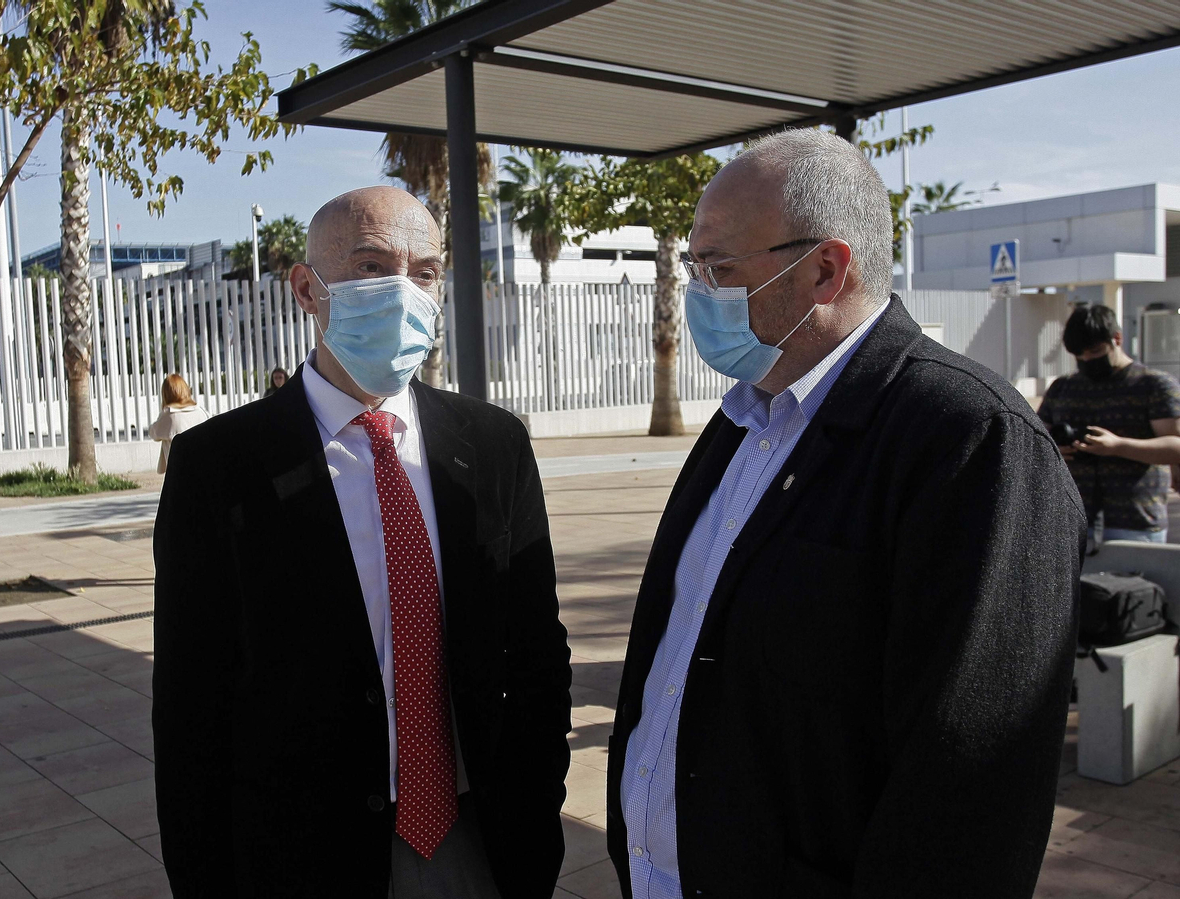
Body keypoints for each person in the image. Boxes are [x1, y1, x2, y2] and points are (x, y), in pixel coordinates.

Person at [608, 129, 1082, 899]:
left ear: (824, 268)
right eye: (695, 267)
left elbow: (971, 790)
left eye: (718, 267)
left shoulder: (970, 440)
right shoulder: (740, 421)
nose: (698, 291)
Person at [153, 186, 571, 899]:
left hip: (476, 841)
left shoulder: (496, 444)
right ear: (306, 290)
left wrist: (535, 809)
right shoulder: (219, 466)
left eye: (426, 271)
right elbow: (192, 706)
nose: (405, 293)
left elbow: (536, 653)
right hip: (300, 856)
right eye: (374, 266)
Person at [1037, 304, 1180, 544]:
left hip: (1134, 522)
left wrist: (1117, 446)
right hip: (1071, 520)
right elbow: (1037, 438)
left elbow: (1175, 447)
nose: (1086, 360)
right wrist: (1055, 449)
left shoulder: (1153, 385)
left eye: (1094, 351)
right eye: (1078, 355)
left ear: (1117, 339)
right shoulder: (1063, 387)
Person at [149, 374, 209, 475]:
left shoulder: (169, 415)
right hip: (203, 467)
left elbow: (154, 433)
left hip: (179, 473)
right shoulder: (201, 412)